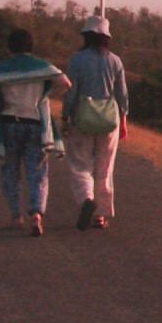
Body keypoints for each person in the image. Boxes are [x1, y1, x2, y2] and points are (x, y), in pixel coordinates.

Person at [0, 29, 70, 236]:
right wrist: (46, 95)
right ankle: (36, 214)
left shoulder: (3, 69)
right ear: (31, 46)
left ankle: (16, 215)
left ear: (10, 47)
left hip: (8, 123)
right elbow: (65, 83)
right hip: (35, 123)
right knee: (37, 171)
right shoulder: (41, 67)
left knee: (10, 171)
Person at [61, 14, 129, 231]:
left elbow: (71, 92)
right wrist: (124, 121)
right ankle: (100, 215)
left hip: (82, 118)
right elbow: (122, 96)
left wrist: (65, 117)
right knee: (105, 167)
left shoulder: (77, 60)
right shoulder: (115, 61)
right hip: (109, 120)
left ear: (87, 36)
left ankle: (86, 200)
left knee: (80, 165)